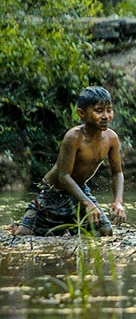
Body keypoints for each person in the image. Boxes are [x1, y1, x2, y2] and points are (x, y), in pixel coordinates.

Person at [12, 86, 126, 237]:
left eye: (109, 110)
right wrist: (88, 204)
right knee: (23, 234)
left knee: (104, 231)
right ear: (82, 113)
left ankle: (69, 227)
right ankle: (19, 226)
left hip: (79, 190)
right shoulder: (74, 137)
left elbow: (117, 173)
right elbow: (63, 177)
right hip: (53, 192)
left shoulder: (111, 139)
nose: (105, 116)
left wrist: (118, 201)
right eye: (99, 111)